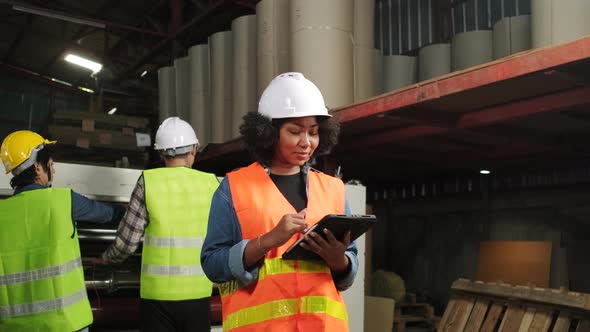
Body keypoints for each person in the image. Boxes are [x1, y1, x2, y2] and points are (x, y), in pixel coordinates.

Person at [201, 72, 358, 332]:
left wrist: (338, 260)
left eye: (314, 132)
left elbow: (349, 266)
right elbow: (212, 265)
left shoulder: (334, 189)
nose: (306, 143)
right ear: (268, 134)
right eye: (295, 131)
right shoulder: (233, 189)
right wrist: (268, 241)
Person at [98, 117, 219, 332]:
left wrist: (106, 259)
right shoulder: (212, 183)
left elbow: (126, 243)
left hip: (157, 299)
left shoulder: (148, 181)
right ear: (194, 148)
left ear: (161, 153)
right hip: (199, 295)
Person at [0, 130, 124, 332]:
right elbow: (108, 214)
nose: (54, 171)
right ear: (38, 167)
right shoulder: (63, 200)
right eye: (51, 164)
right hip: (65, 324)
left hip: (16, 327)